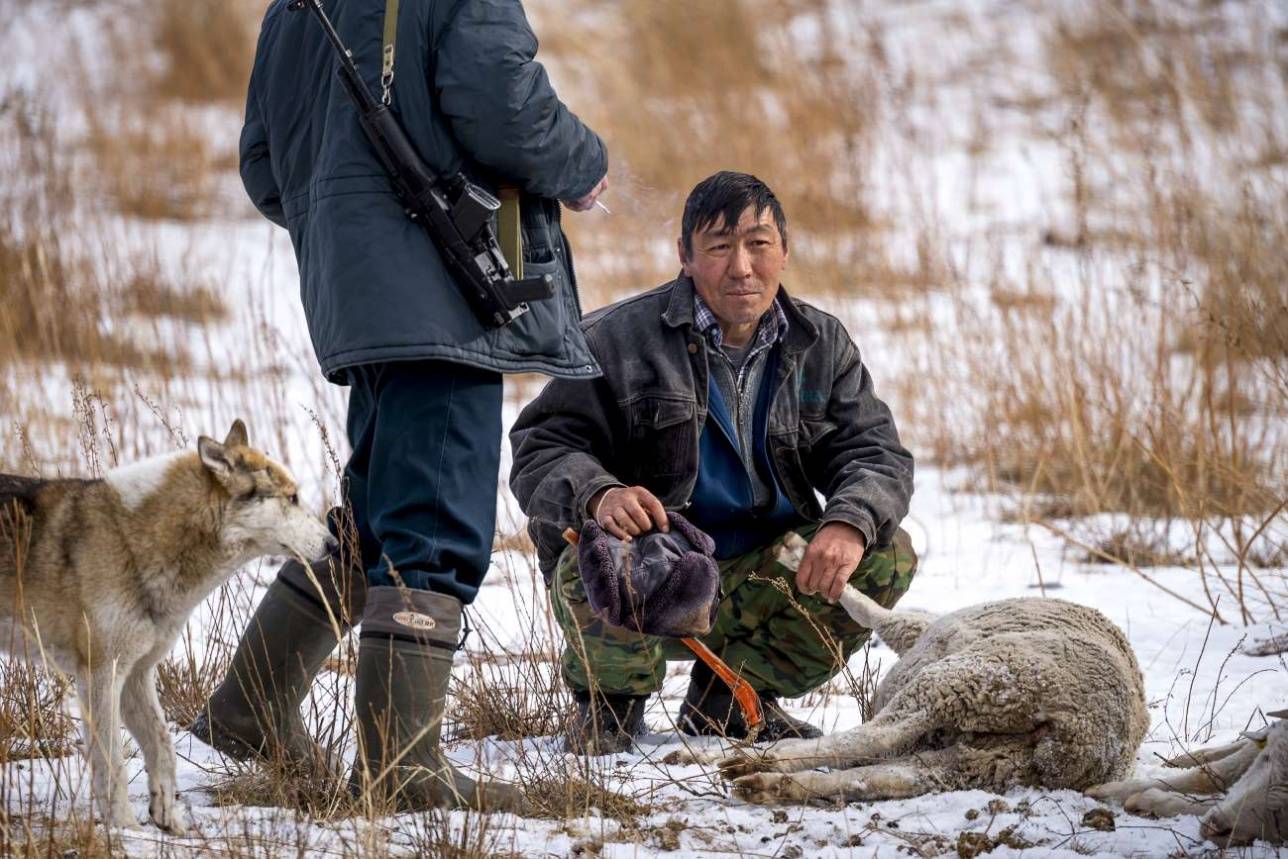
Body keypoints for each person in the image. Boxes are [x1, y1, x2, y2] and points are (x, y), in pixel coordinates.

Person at [190, 0, 607, 812]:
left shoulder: (293, 8)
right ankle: (403, 770)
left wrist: (350, 226)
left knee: (374, 518)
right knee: (432, 528)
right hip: (442, 295)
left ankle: (248, 709)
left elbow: (264, 164)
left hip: (359, 296)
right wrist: (583, 162)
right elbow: (500, 103)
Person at [509, 171, 917, 753]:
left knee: (884, 553)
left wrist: (849, 522)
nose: (742, 267)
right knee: (598, 551)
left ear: (785, 250)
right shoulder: (615, 338)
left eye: (758, 244)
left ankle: (728, 699)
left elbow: (875, 452)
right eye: (720, 247)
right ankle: (609, 709)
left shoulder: (821, 343)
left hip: (764, 569)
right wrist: (600, 494)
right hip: (658, 563)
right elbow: (540, 448)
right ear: (685, 256)